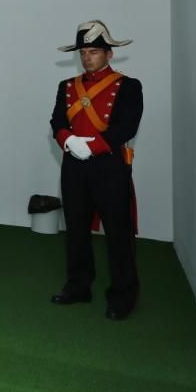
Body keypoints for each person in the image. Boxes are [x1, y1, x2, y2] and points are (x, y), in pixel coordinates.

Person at [49, 20, 143, 321]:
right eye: (84, 52)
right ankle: (78, 286)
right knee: (76, 229)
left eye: (94, 51)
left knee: (118, 232)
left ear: (109, 54)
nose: (87, 57)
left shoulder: (128, 86)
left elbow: (128, 125)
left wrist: (95, 145)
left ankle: (123, 295)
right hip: (74, 165)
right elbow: (57, 122)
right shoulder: (67, 87)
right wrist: (68, 140)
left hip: (109, 166)